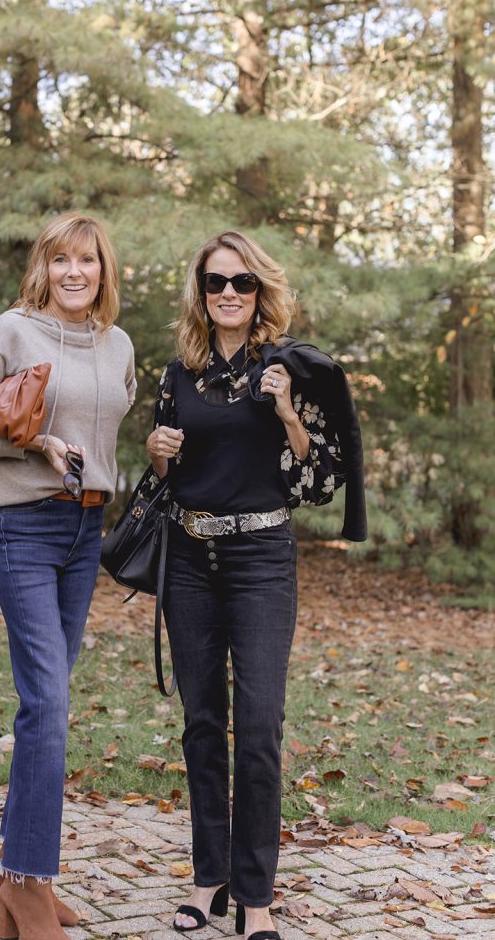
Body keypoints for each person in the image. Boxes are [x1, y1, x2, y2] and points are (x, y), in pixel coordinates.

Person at [144, 231, 365, 940]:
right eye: (215, 283)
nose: (229, 294)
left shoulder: (287, 366)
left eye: (241, 282)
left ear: (260, 290)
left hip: (262, 559)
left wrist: (289, 415)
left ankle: (256, 897)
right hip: (188, 559)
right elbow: (166, 472)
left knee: (260, 726)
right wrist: (155, 456)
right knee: (202, 723)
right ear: (201, 293)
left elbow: (321, 482)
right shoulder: (177, 372)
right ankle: (209, 882)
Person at [0, 212, 136, 940]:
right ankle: (26, 887)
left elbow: (114, 422)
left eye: (88, 261)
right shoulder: (8, 333)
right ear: (43, 269)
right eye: (61, 261)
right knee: (47, 705)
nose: (75, 273)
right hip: (22, 526)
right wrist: (30, 446)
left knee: (42, 708)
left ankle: (20, 878)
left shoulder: (117, 345)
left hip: (87, 531)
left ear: (104, 272)